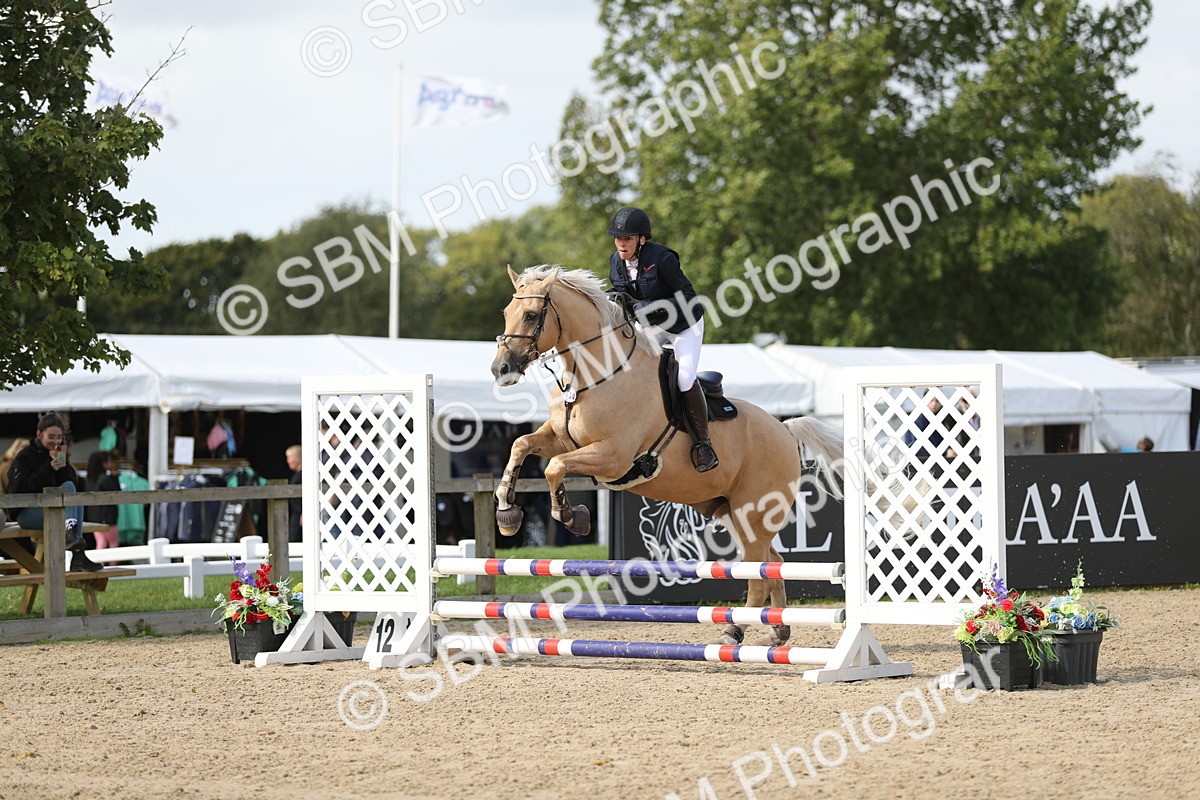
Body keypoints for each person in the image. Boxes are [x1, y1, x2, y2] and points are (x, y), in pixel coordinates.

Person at [605, 206, 718, 472]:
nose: (622, 243)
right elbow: (622, 293)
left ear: (641, 240)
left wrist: (650, 306)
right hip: (654, 327)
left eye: (628, 238)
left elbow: (689, 298)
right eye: (619, 238)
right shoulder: (616, 262)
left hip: (684, 324)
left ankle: (703, 443)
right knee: (631, 370)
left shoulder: (662, 259)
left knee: (684, 378)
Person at [5, 413, 100, 571]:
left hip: (54, 510)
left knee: (72, 492)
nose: (55, 441)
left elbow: (73, 484)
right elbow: (21, 488)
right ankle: (77, 553)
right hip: (26, 513)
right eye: (51, 436)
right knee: (74, 504)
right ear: (39, 434)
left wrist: (63, 467)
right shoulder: (24, 457)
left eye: (59, 437)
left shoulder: (59, 454)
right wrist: (49, 469)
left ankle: (75, 545)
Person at [84, 450, 122, 557]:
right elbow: (117, 494)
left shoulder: (88, 480)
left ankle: (99, 564)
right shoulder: (105, 479)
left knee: (101, 542)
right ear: (103, 463)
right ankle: (113, 567)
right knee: (113, 543)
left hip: (94, 517)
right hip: (108, 517)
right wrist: (115, 478)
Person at [285, 444, 303, 543]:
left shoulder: (304, 474)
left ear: (297, 458)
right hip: (296, 513)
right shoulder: (297, 474)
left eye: (290, 457)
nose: (288, 461)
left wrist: (305, 511)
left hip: (300, 513)